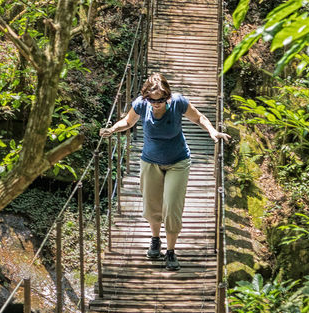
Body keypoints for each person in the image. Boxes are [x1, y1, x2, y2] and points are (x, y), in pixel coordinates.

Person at [99, 73, 231, 271]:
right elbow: (127, 122)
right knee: (151, 207)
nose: (157, 103)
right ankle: (155, 240)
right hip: (150, 161)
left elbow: (199, 118)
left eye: (161, 99)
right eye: (152, 99)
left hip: (178, 161)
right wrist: (112, 129)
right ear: (146, 97)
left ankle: (170, 251)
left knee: (172, 207)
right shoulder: (141, 105)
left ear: (168, 96)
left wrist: (212, 131)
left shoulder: (178, 103)